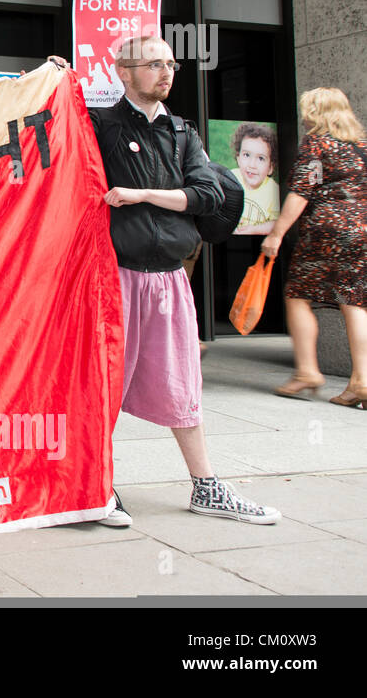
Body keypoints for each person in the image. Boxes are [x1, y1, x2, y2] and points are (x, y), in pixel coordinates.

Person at [71, 35, 280, 526]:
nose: (165, 72)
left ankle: (206, 487)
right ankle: (94, 487)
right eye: (152, 64)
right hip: (112, 278)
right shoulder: (96, 125)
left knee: (183, 385)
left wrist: (141, 193)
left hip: (169, 279)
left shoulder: (182, 130)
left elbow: (210, 194)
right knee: (103, 384)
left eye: (170, 63)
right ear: (123, 72)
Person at [262, 88, 367, 408]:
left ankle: (308, 371)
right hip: (361, 230)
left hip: (326, 230)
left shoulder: (317, 143)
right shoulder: (362, 146)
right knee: (355, 302)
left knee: (297, 296)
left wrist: (277, 234)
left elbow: (300, 192)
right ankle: (361, 380)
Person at [231, 122, 280, 235]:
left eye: (261, 158)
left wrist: (254, 230)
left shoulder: (273, 191)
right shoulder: (231, 179)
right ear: (238, 158)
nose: (252, 165)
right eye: (247, 155)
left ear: (270, 168)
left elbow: (277, 223)